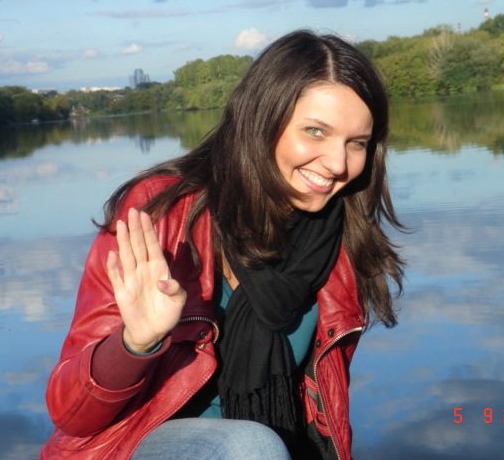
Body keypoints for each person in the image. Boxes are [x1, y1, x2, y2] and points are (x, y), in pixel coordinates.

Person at [41, 29, 405, 460]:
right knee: (248, 446)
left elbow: (323, 415)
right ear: (262, 119)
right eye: (315, 131)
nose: (338, 163)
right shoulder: (160, 213)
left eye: (357, 143)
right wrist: (135, 344)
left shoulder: (341, 242)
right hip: (135, 448)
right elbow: (71, 415)